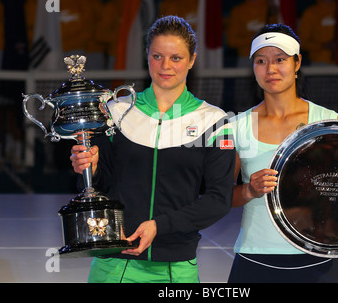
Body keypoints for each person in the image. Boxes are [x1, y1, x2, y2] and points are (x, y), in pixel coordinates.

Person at [228, 23, 338, 283]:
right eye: (261, 61)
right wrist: (249, 190)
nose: (271, 69)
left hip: (319, 261)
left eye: (280, 59)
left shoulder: (328, 121)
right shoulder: (237, 126)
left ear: (297, 63)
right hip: (255, 259)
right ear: (253, 67)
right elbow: (221, 197)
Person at [70, 16, 235, 283]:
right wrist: (89, 168)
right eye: (157, 56)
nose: (165, 66)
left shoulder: (215, 121)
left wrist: (160, 226)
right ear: (147, 55)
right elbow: (96, 185)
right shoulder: (115, 111)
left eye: (176, 58)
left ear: (192, 60)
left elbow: (219, 200)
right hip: (114, 263)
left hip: (176, 268)